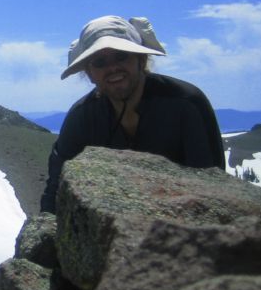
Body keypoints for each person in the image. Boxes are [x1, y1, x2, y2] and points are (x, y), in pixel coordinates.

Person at [40, 15, 225, 214]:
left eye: (121, 56)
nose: (112, 68)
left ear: (141, 59)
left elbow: (212, 185)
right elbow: (56, 190)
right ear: (90, 73)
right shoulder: (81, 117)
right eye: (100, 62)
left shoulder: (186, 104)